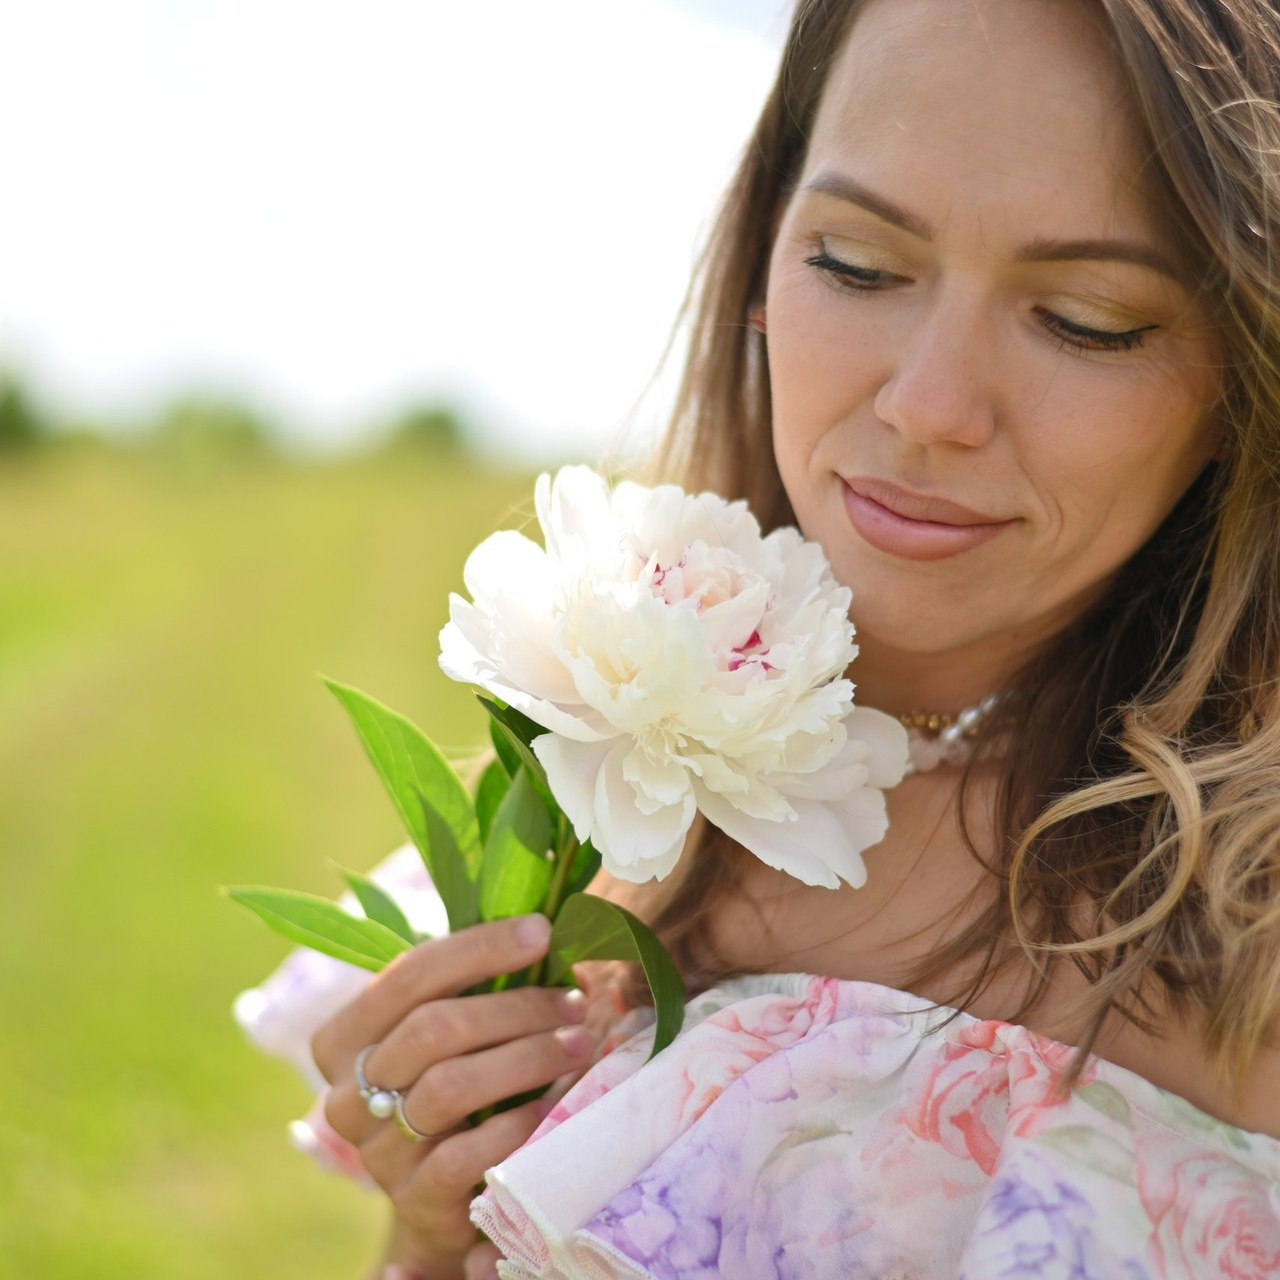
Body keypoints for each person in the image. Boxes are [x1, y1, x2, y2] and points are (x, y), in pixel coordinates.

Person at [245, 0, 1280, 1273]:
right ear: (759, 262)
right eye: (856, 263)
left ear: (1245, 369)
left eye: (1086, 317)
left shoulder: (1239, 936)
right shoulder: (602, 820)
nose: (927, 407)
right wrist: (433, 1229)